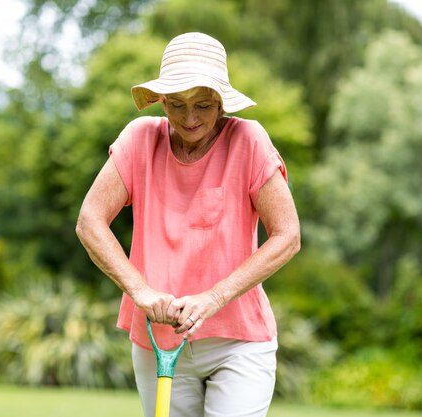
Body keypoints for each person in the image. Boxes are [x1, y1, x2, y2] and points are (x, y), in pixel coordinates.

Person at [76, 32, 300, 417]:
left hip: (238, 339)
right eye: (177, 105)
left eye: (203, 105)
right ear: (161, 100)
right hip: (158, 340)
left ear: (221, 102)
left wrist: (212, 298)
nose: (190, 118)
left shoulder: (248, 141)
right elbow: (89, 221)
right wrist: (140, 292)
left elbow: (288, 236)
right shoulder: (139, 140)